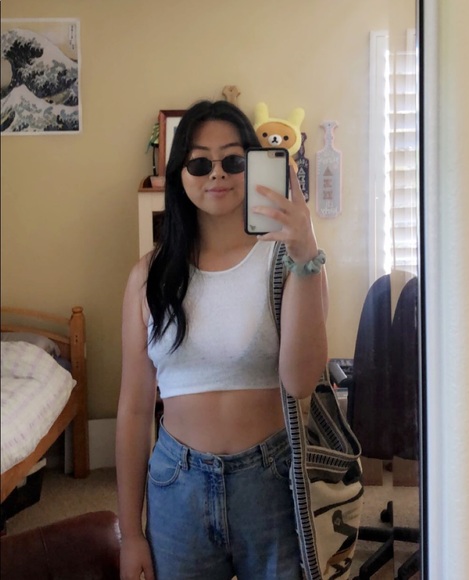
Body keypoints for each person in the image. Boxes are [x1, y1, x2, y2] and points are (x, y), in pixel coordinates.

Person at [115, 99, 328, 580]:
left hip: (270, 479)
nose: (217, 173)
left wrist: (306, 251)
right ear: (179, 174)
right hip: (177, 483)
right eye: (199, 162)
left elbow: (300, 381)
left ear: (255, 165)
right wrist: (130, 533)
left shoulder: (289, 262)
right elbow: (133, 410)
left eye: (233, 160)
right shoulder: (149, 275)